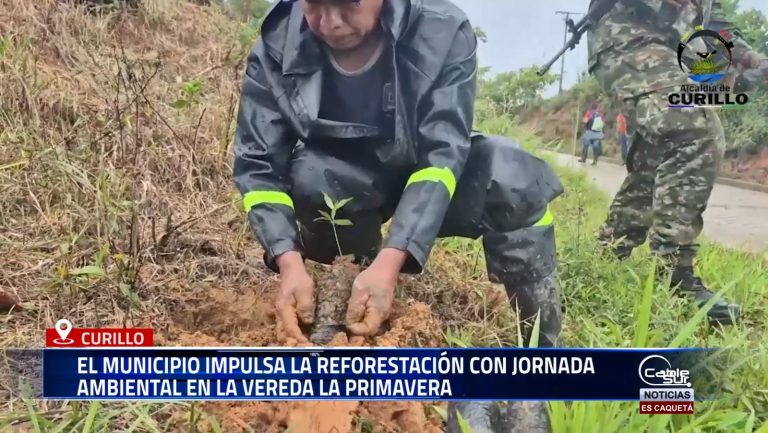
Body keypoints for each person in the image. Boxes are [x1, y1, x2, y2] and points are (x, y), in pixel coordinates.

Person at [232, 0, 563, 429]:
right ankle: (345, 316)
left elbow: (443, 153)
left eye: (347, 4)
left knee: (511, 175)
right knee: (314, 175)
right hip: (346, 182)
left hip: (425, 170)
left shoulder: (442, 31)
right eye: (313, 5)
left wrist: (394, 259)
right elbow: (258, 164)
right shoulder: (280, 41)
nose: (329, 23)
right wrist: (287, 260)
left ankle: (540, 357)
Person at [586, 0, 768, 325]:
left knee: (658, 152)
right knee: (696, 129)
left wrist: (755, 60)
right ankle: (674, 275)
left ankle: (610, 250)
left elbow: (718, 27)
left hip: (660, 50)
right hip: (625, 39)